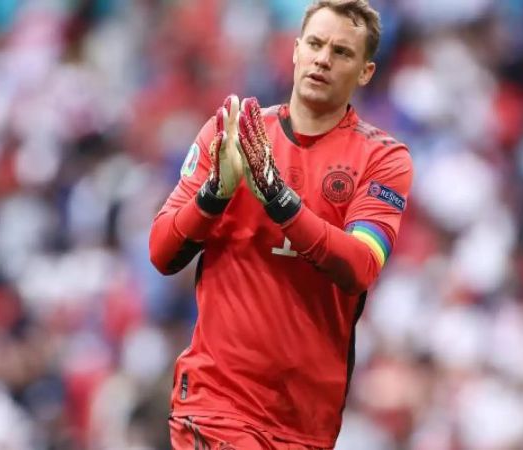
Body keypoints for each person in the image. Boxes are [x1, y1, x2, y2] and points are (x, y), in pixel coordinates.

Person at [149, 1, 413, 448]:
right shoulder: (231, 133)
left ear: (365, 72)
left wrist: (278, 199)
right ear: (294, 51)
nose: (323, 59)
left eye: (342, 52)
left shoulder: (383, 160)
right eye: (314, 44)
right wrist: (215, 194)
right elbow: (161, 251)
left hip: (306, 422)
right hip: (219, 406)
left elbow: (361, 265)